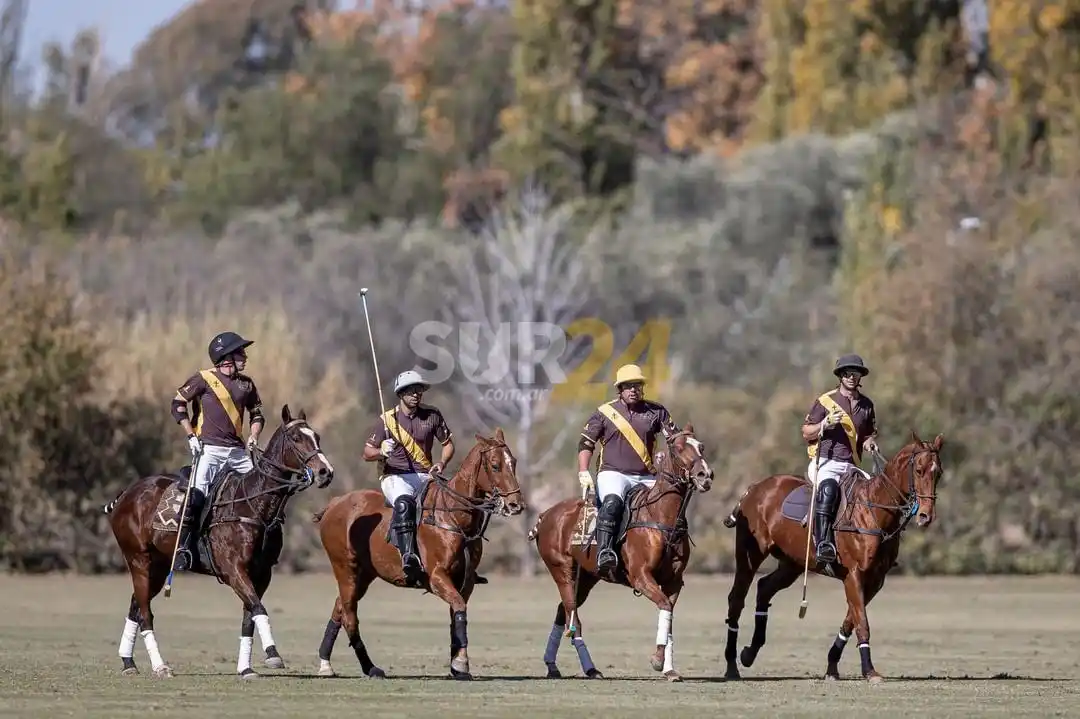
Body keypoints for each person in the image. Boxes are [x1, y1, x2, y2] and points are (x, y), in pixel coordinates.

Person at [170, 331, 265, 572]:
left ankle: (261, 547)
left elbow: (257, 414)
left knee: (261, 492)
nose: (244, 357)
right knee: (196, 497)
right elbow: (177, 403)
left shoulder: (247, 384)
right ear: (226, 357)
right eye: (240, 352)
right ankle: (185, 548)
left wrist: (254, 436)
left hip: (238, 452)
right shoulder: (203, 379)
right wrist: (190, 435)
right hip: (209, 449)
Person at [577, 363, 681, 573]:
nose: (633, 389)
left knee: (671, 503)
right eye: (628, 386)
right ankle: (605, 551)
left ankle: (675, 552)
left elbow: (676, 441)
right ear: (620, 390)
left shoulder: (657, 411)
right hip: (614, 473)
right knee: (613, 503)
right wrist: (583, 470)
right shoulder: (604, 413)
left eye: (637, 385)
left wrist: (672, 454)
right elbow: (586, 443)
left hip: (647, 476)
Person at [363, 370, 455, 580]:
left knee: (455, 503)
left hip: (426, 475)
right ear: (401, 393)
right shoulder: (387, 420)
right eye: (412, 390)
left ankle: (462, 560)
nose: (417, 394)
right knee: (405, 503)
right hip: (395, 476)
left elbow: (448, 444)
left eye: (420, 390)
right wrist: (381, 451)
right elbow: (366, 453)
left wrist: (441, 463)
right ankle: (408, 557)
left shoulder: (432, 415)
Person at [800, 353, 879, 564]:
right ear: (840, 376)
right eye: (847, 373)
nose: (852, 377)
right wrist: (824, 424)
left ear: (860, 377)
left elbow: (867, 434)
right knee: (828, 490)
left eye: (856, 373)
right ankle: (824, 543)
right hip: (827, 461)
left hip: (851, 465)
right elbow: (807, 432)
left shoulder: (867, 405)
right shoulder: (825, 401)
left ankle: (878, 545)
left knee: (876, 495)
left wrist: (869, 442)